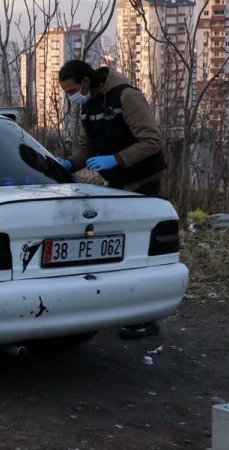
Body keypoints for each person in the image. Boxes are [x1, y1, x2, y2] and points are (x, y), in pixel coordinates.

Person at [55, 59, 166, 340]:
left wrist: (117, 159)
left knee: (141, 254)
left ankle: (145, 317)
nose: (70, 97)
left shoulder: (125, 96)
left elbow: (152, 140)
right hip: (115, 187)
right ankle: (118, 310)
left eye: (71, 90)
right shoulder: (88, 106)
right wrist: (69, 163)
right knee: (116, 254)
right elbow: (86, 146)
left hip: (143, 184)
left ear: (85, 81)